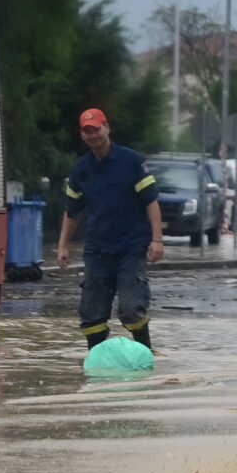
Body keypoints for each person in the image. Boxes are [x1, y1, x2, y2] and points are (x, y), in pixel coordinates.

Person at [54, 108, 163, 354]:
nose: (93, 135)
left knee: (131, 308)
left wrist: (157, 240)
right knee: (91, 314)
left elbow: (151, 201)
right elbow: (72, 211)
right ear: (82, 136)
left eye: (97, 129)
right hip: (97, 250)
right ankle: (96, 362)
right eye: (87, 131)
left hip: (131, 248)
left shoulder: (132, 161)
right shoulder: (81, 169)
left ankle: (145, 352)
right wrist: (62, 245)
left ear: (107, 128)